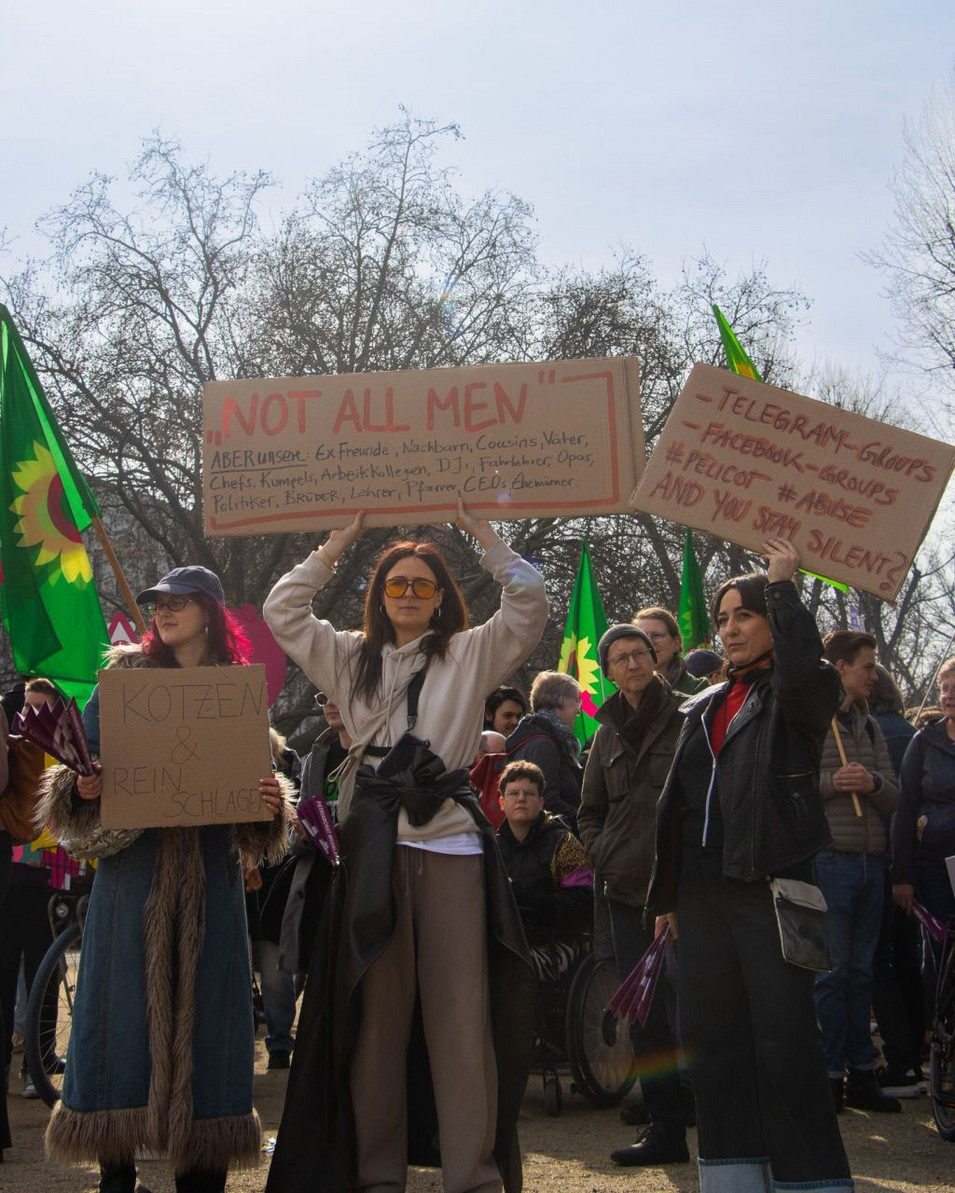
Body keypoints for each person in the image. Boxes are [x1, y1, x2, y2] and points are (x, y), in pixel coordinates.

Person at [262, 502, 548, 1193]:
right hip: (375, 845)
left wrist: (482, 536)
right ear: (379, 593)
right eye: (398, 583)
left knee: (459, 1014)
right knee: (377, 1016)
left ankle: (471, 1174)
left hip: (451, 844)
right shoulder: (348, 654)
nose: (411, 594)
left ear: (442, 595)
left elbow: (530, 598)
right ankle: (376, 1173)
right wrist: (337, 542)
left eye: (424, 583)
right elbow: (282, 608)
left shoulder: (470, 650)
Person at [35, 566, 291, 1193]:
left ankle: (201, 1169)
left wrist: (268, 803)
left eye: (178, 602)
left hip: (211, 881)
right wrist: (84, 783)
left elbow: (258, 798)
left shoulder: (234, 690)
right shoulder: (122, 680)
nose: (164, 612)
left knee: (211, 1017)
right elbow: (77, 771)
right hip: (131, 882)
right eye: (157, 603)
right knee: (119, 1013)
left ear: (209, 610)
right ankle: (115, 1167)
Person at [647, 539, 852, 1193]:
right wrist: (667, 896)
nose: (729, 628)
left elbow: (803, 671)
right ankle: (733, 1176)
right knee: (714, 1044)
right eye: (723, 617)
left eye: (745, 614)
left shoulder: (801, 695)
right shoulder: (700, 706)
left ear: (771, 621)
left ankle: (810, 1180)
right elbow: (678, 806)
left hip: (770, 887)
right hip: (701, 896)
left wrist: (784, 585)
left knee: (785, 1043)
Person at [577, 623, 687, 1167]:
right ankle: (665, 1128)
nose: (631, 664)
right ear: (609, 671)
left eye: (639, 653)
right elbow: (589, 811)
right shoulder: (604, 733)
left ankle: (716, 1118)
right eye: (618, 658)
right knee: (645, 1012)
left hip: (689, 890)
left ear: (656, 657)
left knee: (694, 1002)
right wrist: (604, 853)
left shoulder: (690, 715)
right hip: (625, 891)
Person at [814, 631, 900, 1113]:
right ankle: (830, 1077)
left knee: (861, 974)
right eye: (866, 665)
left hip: (871, 860)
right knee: (832, 973)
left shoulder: (869, 726)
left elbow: (896, 794)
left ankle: (862, 1073)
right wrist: (831, 783)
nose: (873, 674)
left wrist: (873, 781)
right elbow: (791, 784)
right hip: (832, 859)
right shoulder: (813, 721)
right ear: (841, 667)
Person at [868, 664, 925, 1100]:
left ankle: (901, 1057)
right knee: (907, 957)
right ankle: (919, 1049)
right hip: (913, 862)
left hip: (878, 856)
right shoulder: (911, 731)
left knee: (878, 961)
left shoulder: (874, 734)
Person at [495, 761, 592, 982]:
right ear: (502, 802)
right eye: (513, 793)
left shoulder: (564, 843)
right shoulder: (493, 847)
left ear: (540, 802)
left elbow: (582, 901)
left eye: (528, 793)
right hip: (506, 940)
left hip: (554, 941)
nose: (521, 798)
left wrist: (526, 898)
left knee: (513, 967)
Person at [892, 657, 955, 938]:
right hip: (934, 864)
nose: (949, 696)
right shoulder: (924, 742)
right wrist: (902, 876)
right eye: (944, 688)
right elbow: (904, 808)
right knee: (942, 952)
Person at [504, 672, 583, 826]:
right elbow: (547, 800)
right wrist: (585, 822)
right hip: (551, 842)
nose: (578, 710)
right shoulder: (543, 744)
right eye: (576, 701)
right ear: (561, 700)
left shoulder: (537, 737)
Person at [633, 606, 708, 697]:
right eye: (643, 636)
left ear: (676, 643)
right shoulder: (628, 693)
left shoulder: (699, 690)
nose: (649, 642)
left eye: (656, 635)